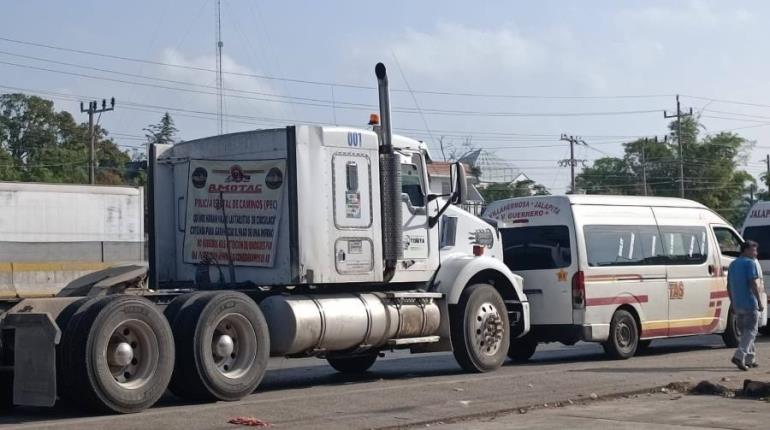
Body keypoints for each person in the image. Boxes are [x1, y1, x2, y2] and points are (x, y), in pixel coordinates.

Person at [727, 240, 765, 371]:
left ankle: (750, 359)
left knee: (745, 333)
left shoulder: (733, 264)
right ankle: (739, 355)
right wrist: (759, 302)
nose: (756, 253)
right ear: (746, 250)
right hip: (749, 302)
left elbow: (728, 286)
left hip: (737, 304)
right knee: (751, 331)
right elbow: (753, 284)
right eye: (754, 250)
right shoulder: (750, 263)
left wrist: (732, 302)